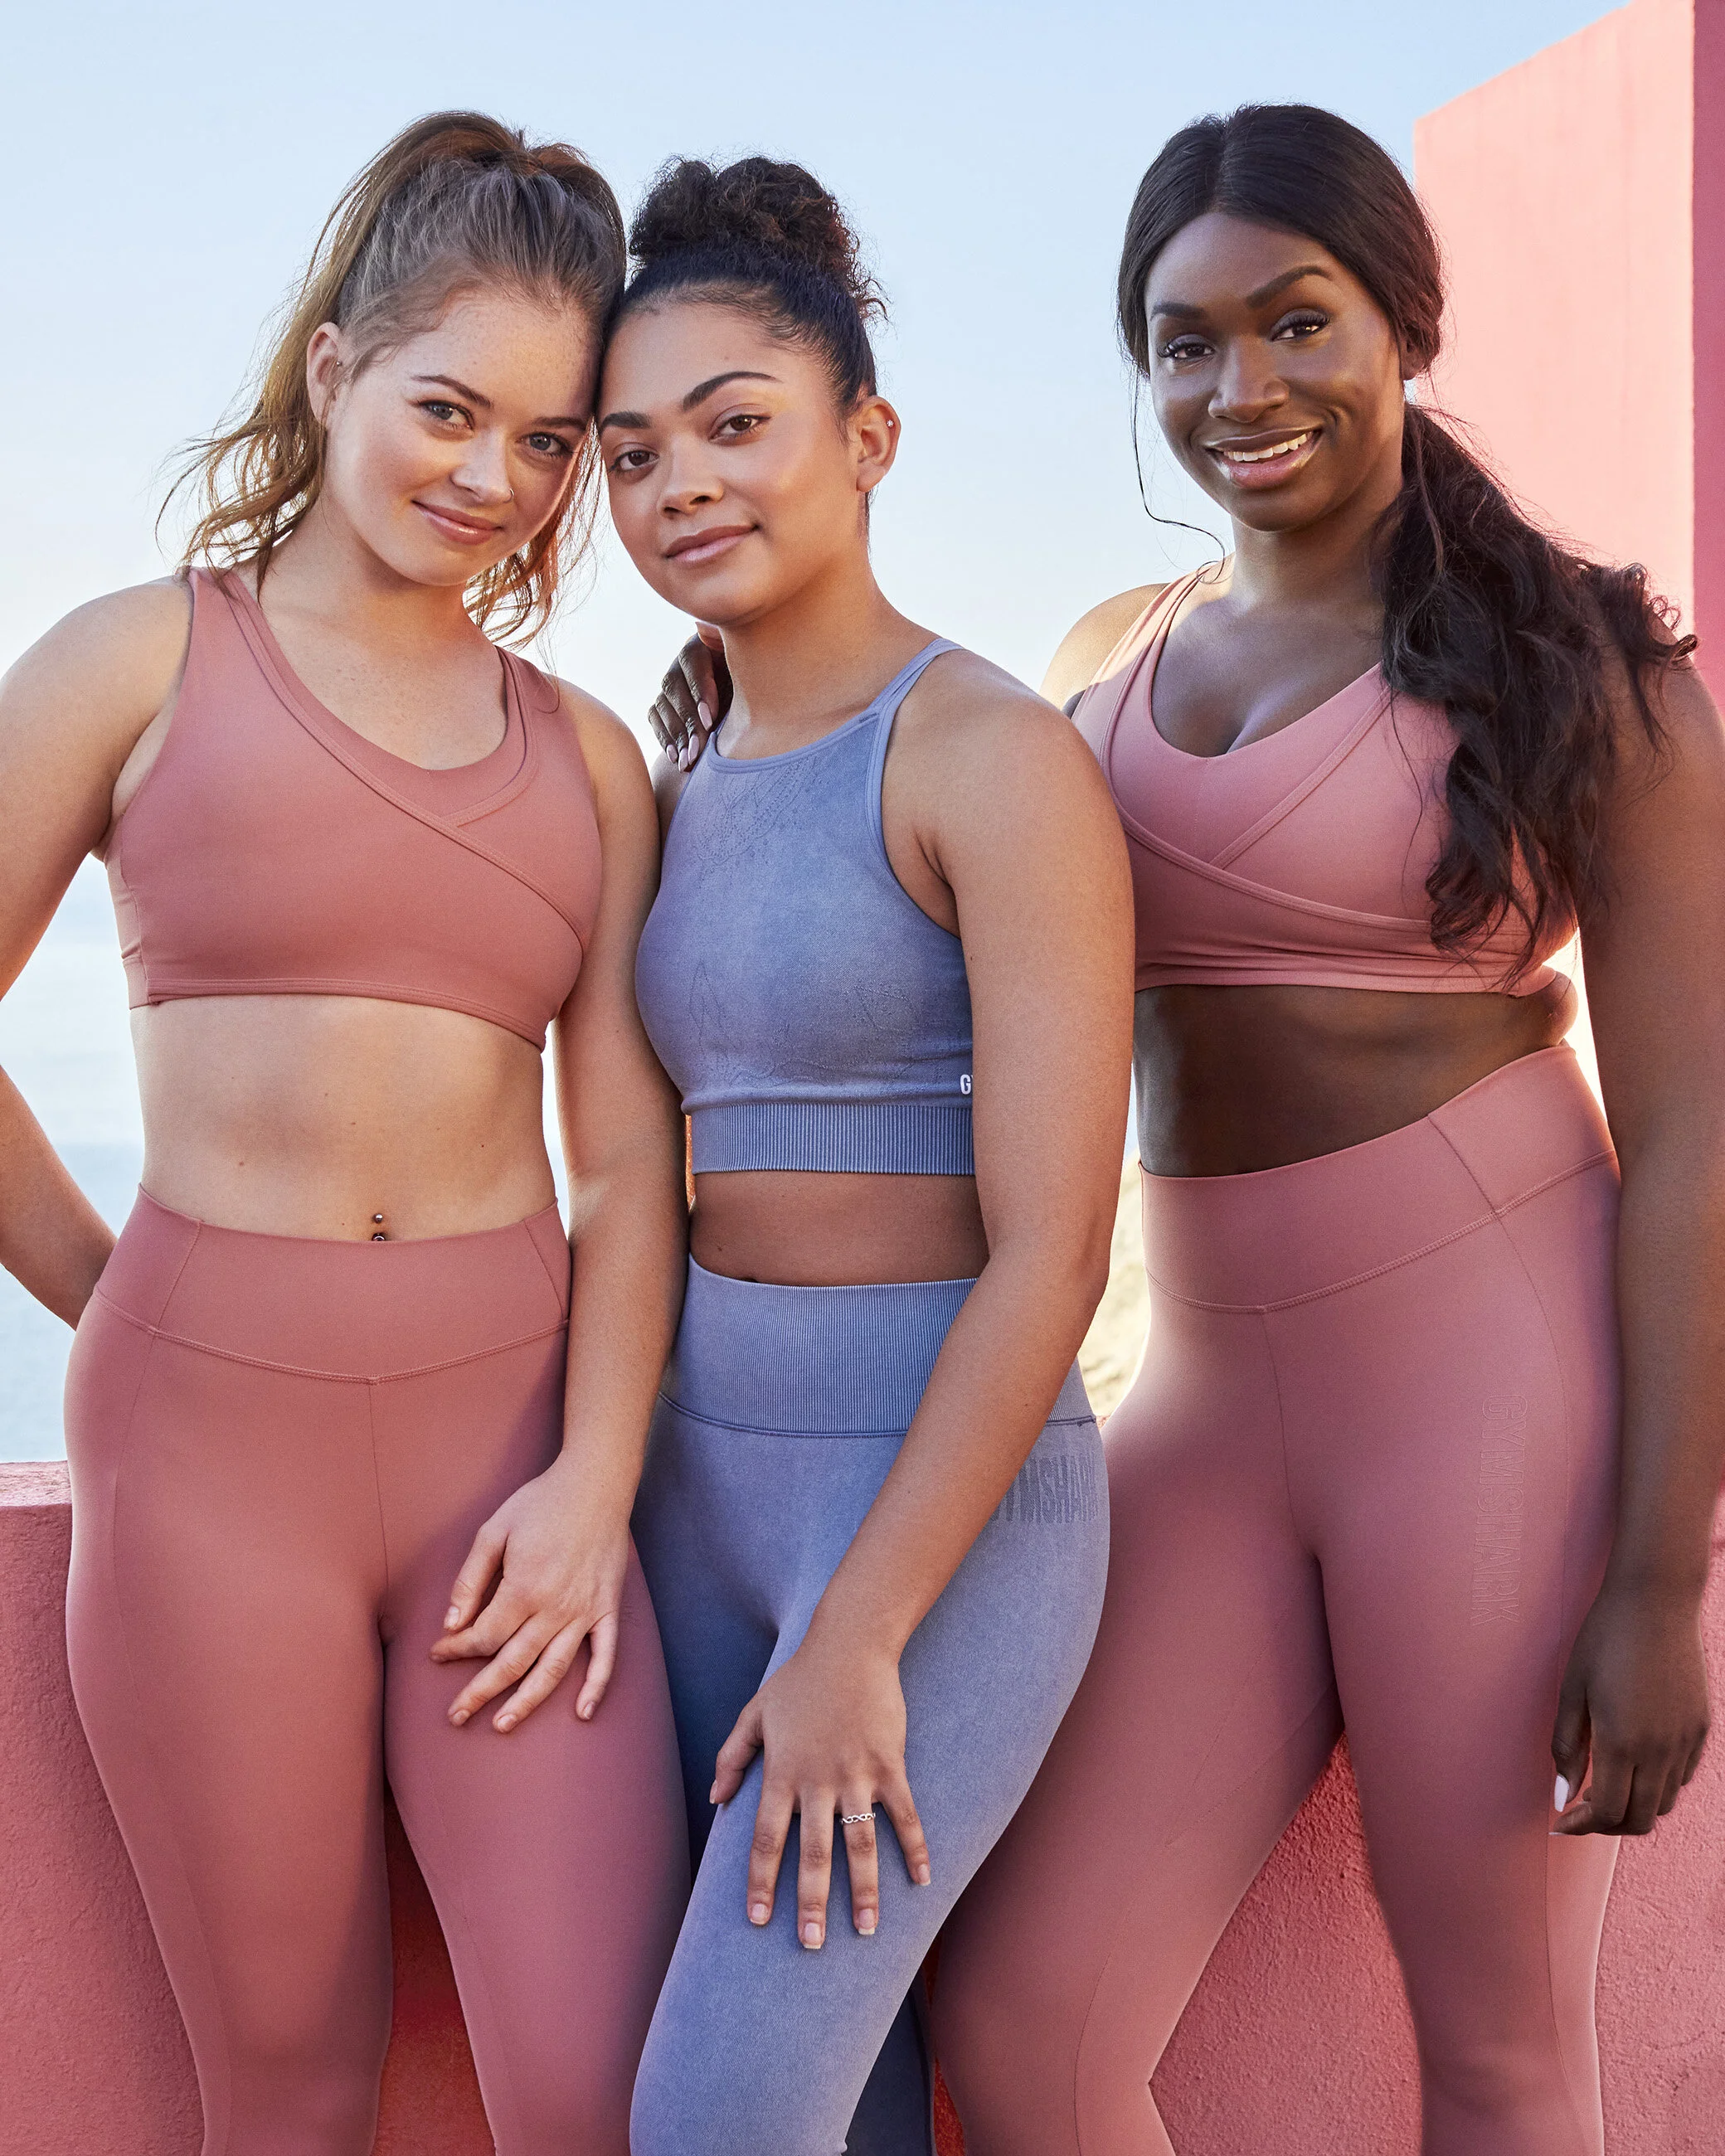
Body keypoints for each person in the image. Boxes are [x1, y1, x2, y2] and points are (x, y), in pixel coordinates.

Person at [928, 105, 1725, 2156]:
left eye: (1296, 323)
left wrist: (1656, 1578)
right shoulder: (1097, 665)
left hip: (1492, 1388)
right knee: (1022, 2035)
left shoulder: (1588, 682)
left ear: (1401, 324)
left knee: (1495, 2054)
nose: (1238, 388)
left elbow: (1697, 1135)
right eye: (1183, 344)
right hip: (1196, 1402)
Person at [1, 114, 688, 2156]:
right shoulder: (137, 658)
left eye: (549, 440)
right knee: (287, 2091)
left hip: (514, 1467)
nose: (489, 476)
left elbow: (634, 1166)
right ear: (333, 370)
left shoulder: (583, 755)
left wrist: (592, 1481)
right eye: (446, 407)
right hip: (208, 1454)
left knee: (588, 2084)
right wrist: (135, 1301)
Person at [601, 157, 1134, 2155]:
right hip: (694, 1479)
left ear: (865, 436)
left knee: (717, 2121)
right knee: (852, 2094)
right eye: (636, 453)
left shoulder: (985, 755)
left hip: (941, 1512)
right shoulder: (676, 778)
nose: (682, 489)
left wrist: (858, 1632)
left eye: (737, 426)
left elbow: (1053, 1252)